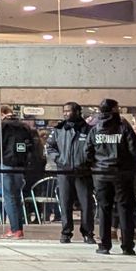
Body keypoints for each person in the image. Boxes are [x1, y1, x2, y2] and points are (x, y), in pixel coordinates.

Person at [87, 97, 136, 255]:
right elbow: (134, 149)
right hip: (121, 174)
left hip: (101, 174)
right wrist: (129, 168)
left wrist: (95, 166)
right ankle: (127, 246)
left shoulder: (95, 129)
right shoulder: (123, 127)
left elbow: (88, 152)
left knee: (104, 209)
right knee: (125, 209)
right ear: (113, 109)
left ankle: (104, 245)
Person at [44, 101, 96, 244]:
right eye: (64, 111)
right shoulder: (59, 130)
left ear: (77, 112)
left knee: (86, 204)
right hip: (64, 171)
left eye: (69, 111)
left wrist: (87, 160)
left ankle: (88, 233)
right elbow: (50, 147)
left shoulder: (88, 130)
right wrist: (59, 159)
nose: (66, 113)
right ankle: (66, 232)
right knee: (65, 203)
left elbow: (95, 148)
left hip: (83, 172)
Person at [0, 104, 38, 239]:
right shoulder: (24, 127)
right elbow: (31, 146)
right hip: (19, 166)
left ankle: (15, 229)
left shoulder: (2, 127)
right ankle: (17, 227)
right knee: (17, 197)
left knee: (9, 197)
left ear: (2, 114)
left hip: (5, 164)